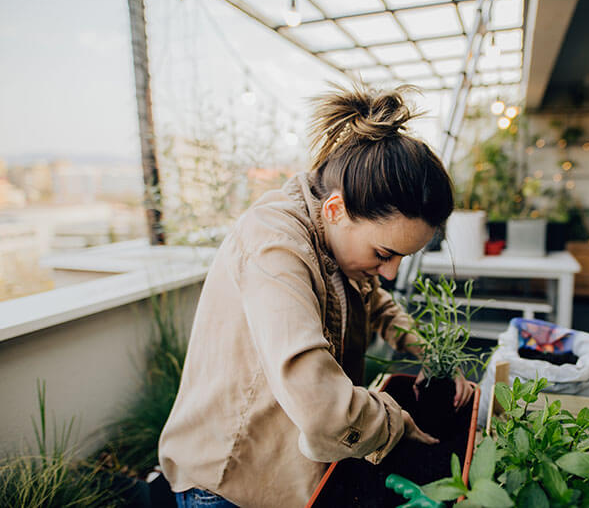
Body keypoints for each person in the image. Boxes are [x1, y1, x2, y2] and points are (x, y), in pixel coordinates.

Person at [158, 84, 475, 508]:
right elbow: (323, 408)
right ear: (335, 210)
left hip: (292, 470)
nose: (390, 271)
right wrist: (395, 423)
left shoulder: (337, 238)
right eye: (384, 254)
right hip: (229, 484)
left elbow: (375, 299)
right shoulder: (276, 246)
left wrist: (430, 353)